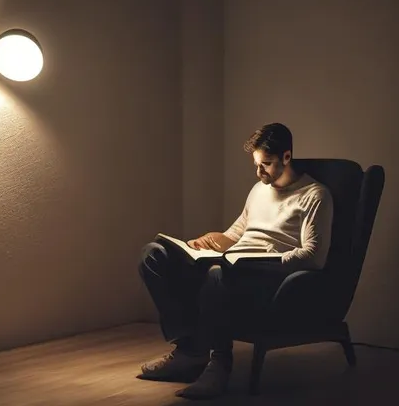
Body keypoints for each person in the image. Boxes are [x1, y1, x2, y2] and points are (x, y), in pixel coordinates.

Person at [137, 122, 334, 399]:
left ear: (286, 157)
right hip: (231, 262)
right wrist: (210, 241)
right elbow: (238, 233)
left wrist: (258, 262)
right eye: (256, 164)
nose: (259, 172)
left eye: (265, 164)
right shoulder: (258, 190)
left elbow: (313, 256)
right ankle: (189, 350)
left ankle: (219, 366)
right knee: (153, 254)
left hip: (265, 277)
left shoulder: (315, 196)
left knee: (217, 274)